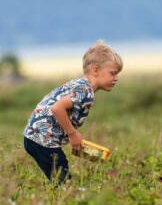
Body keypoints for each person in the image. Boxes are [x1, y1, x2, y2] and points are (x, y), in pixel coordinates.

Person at [23, 40, 123, 184]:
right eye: (112, 73)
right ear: (95, 70)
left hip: (34, 136)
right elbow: (57, 108)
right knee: (63, 181)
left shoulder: (80, 84)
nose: (116, 78)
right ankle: (63, 202)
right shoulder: (86, 93)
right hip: (41, 140)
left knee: (60, 173)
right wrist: (72, 134)